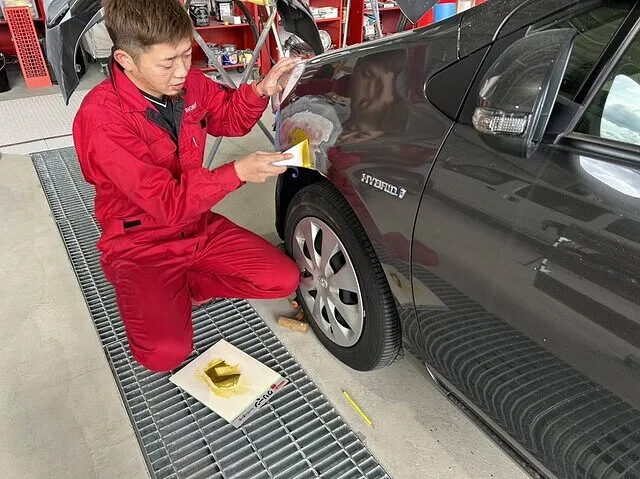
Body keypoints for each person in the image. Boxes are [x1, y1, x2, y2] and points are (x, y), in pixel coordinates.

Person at [72, 0, 301, 373]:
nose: (182, 71)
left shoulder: (190, 83)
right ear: (125, 60)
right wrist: (237, 172)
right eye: (168, 62)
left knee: (282, 279)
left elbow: (229, 118)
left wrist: (260, 89)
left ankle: (188, 286)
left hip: (196, 224)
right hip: (141, 241)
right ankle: (142, 283)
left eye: (186, 54)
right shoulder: (102, 121)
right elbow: (166, 204)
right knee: (164, 356)